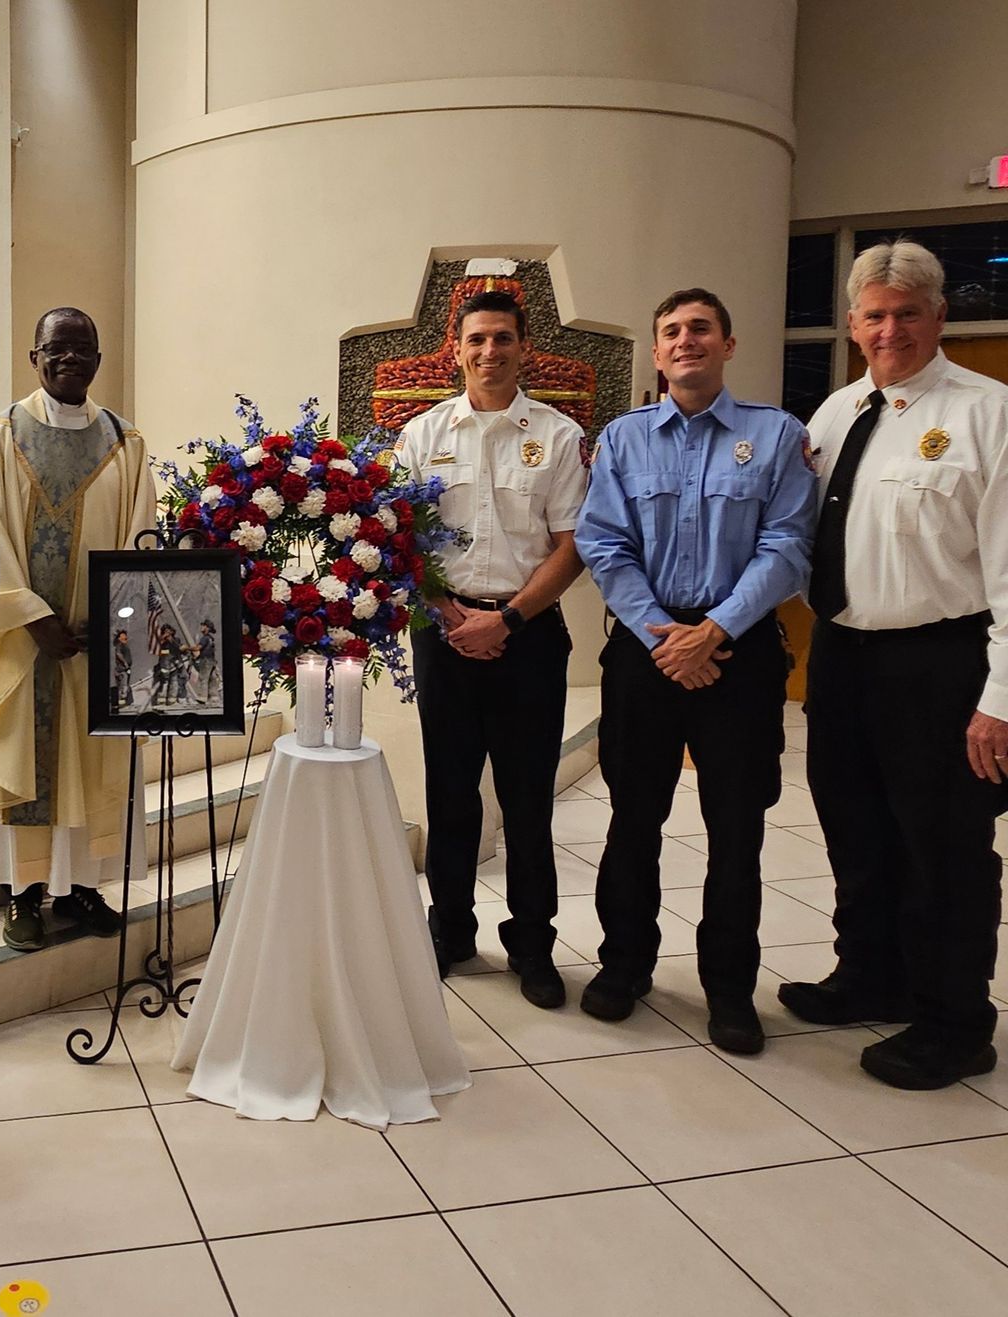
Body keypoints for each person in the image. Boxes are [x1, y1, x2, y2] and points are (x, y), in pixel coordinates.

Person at [780, 240, 1008, 1089]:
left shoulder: (988, 414)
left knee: (944, 848)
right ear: (852, 324)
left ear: (939, 316)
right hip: (843, 657)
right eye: (875, 315)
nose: (890, 330)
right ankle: (871, 973)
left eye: (908, 313)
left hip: (940, 663)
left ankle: (954, 1020)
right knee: (856, 827)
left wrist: (1001, 699)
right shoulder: (836, 413)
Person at [574, 289, 818, 1053]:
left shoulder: (776, 436)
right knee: (632, 816)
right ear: (657, 352)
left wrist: (712, 631)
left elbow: (788, 546)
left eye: (701, 328)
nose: (687, 340)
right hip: (644, 649)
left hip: (738, 652)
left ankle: (730, 988)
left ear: (728, 344)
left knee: (736, 827)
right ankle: (624, 964)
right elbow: (603, 543)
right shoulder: (623, 438)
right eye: (672, 331)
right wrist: (664, 636)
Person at [399, 290, 588, 1010]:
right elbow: (401, 537)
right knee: (449, 794)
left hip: (528, 634)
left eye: (502, 338)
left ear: (523, 346)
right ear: (457, 349)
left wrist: (505, 618)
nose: (489, 351)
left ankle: (532, 944)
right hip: (443, 632)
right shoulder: (422, 434)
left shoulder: (558, 437)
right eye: (476, 339)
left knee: (527, 800)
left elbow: (572, 545)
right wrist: (448, 611)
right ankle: (450, 930)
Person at [0, 306, 152, 953]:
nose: (69, 358)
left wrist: (115, 615)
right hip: (25, 645)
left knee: (93, 766)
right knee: (28, 762)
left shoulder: (126, 443)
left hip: (97, 645)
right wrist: (30, 615)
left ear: (99, 360)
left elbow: (139, 534)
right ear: (34, 358)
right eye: (56, 348)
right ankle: (22, 893)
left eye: (82, 349)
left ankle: (82, 887)